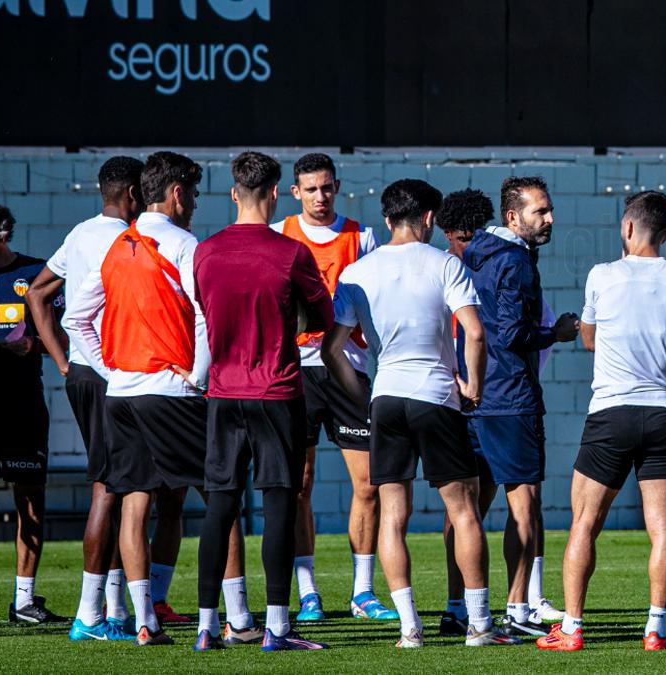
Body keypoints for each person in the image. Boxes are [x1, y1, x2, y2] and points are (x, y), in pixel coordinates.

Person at [323, 178, 519, 648]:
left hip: (386, 397)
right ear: (430, 218)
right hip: (435, 395)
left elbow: (333, 350)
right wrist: (471, 385)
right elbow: (474, 332)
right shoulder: (445, 263)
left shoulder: (357, 271)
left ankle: (410, 628)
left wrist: (362, 393)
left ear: (387, 218)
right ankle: (479, 626)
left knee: (393, 515)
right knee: (464, 510)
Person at [537, 191, 666, 652]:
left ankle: (571, 628)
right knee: (663, 529)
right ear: (664, 235)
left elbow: (587, 340)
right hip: (664, 415)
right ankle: (656, 630)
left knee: (585, 523)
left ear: (627, 228)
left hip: (610, 414)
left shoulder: (602, 276)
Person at [64, 151, 247, 646]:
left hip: (121, 394)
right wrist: (197, 377)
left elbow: (74, 320)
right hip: (171, 391)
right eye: (194, 191)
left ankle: (144, 621)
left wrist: (113, 369)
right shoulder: (187, 244)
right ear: (177, 193)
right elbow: (206, 315)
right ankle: (238, 619)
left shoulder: (116, 246)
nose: (195, 201)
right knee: (221, 496)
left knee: (135, 501)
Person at [192, 152, 333, 651]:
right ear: (276, 194)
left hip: (223, 394)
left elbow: (206, 311)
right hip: (276, 393)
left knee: (220, 509)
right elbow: (322, 314)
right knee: (279, 505)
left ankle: (208, 626)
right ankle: (276, 626)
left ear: (234, 194)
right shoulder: (291, 254)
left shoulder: (204, 252)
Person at [270, 153, 394, 623]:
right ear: (295, 192)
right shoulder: (282, 233)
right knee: (300, 485)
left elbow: (373, 302)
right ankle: (308, 593)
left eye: (327, 188)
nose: (321, 197)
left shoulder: (362, 236)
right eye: (311, 189)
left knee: (368, 485)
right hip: (296, 370)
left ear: (336, 186)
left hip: (347, 370)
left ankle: (363, 593)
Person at [27, 156, 146, 640]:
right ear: (135, 195)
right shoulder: (125, 241)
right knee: (108, 486)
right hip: (110, 372)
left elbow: (37, 293)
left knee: (120, 482)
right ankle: (90, 613)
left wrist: (61, 358)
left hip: (82, 370)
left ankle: (113, 609)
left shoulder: (79, 232)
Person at [460, 176, 578, 636]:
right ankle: (518, 611)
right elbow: (511, 334)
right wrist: (558, 333)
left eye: (549, 210)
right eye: (540, 212)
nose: (549, 219)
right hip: (510, 397)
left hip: (477, 396)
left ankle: (466, 611)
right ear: (513, 217)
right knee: (525, 507)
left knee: (470, 508)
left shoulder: (479, 252)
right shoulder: (514, 260)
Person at [0, 202, 61, 624]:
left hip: (23, 404)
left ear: (0, 237)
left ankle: (24, 601)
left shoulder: (37, 274)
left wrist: (34, 347)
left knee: (31, 498)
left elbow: (62, 335)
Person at [435, 187, 499, 636]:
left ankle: (507, 605)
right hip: (465, 403)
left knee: (478, 507)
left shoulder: (491, 266)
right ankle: (458, 606)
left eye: (455, 239)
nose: (453, 248)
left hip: (490, 402)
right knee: (463, 509)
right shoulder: (443, 268)